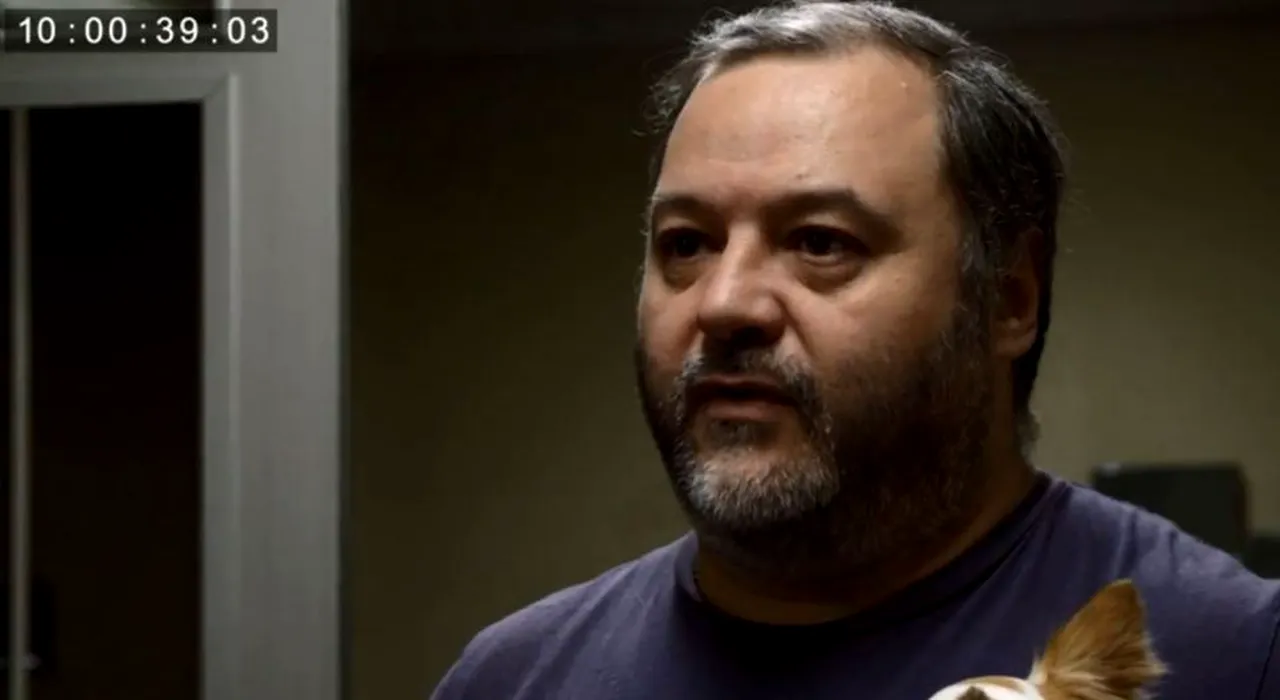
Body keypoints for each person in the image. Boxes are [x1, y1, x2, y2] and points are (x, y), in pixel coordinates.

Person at [431, 2, 1280, 698]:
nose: (724, 304)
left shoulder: (1236, 657)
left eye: (820, 242)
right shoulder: (512, 680)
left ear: (1008, 298)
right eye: (686, 244)